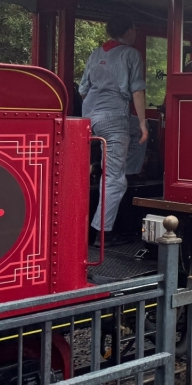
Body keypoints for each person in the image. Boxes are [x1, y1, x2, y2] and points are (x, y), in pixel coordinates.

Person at [79, 15, 148, 246]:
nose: (136, 32)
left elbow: (82, 89)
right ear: (128, 30)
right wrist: (143, 122)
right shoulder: (131, 54)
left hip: (89, 118)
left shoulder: (95, 53)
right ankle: (103, 234)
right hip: (113, 118)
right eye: (135, 28)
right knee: (114, 179)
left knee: (135, 134)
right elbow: (137, 91)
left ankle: (127, 169)